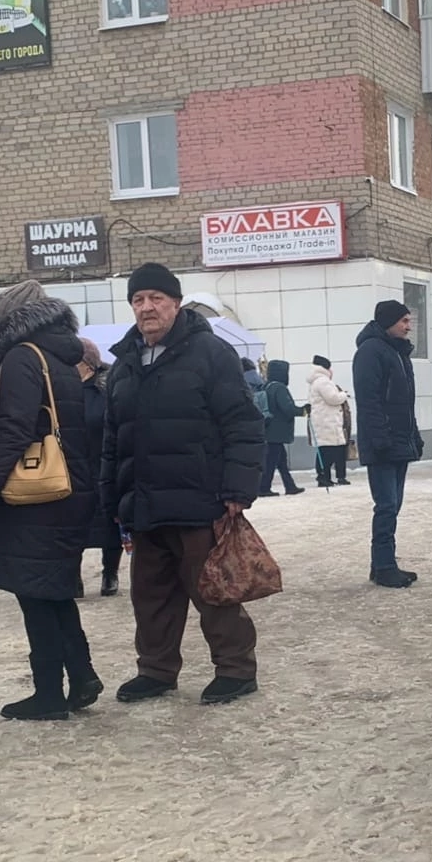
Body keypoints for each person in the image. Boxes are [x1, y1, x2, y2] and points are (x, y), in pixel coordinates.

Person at [101, 263, 265, 706]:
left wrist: (237, 488)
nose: (147, 307)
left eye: (156, 298)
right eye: (138, 300)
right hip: (145, 502)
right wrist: (112, 496)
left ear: (175, 304)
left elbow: (242, 423)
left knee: (212, 588)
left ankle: (235, 668)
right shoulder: (125, 364)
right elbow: (113, 438)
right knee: (150, 596)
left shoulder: (210, 354)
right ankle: (155, 670)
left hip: (200, 497)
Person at [0, 282, 100, 722]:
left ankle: (48, 692)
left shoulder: (23, 356)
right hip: (67, 487)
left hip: (35, 495)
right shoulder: (61, 355)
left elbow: (13, 429)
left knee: (34, 592)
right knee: (53, 590)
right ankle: (81, 676)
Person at [354, 299, 423, 587]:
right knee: (386, 505)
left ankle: (381, 563)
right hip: (382, 443)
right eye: (403, 321)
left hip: (399, 441)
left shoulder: (397, 353)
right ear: (388, 322)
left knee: (393, 506)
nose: (409, 326)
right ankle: (384, 566)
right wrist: (380, 439)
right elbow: (369, 401)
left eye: (409, 320)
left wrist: (413, 436)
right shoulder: (371, 352)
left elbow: (405, 404)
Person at [78, 339, 125, 597]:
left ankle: (110, 573)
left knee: (109, 524)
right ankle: (73, 575)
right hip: (74, 467)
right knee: (74, 525)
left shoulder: (107, 390)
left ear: (85, 363)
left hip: (104, 464)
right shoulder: (63, 390)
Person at [259, 359, 306, 497]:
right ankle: (263, 487)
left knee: (280, 461)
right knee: (272, 461)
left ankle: (290, 486)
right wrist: (303, 411)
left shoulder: (266, 386)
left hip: (268, 429)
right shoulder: (279, 388)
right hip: (277, 432)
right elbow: (287, 409)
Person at [307, 355, 351, 487]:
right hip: (328, 422)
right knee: (328, 451)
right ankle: (324, 478)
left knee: (325, 450)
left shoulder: (315, 381)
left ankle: (324, 477)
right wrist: (343, 394)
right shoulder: (323, 381)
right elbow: (333, 398)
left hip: (323, 421)